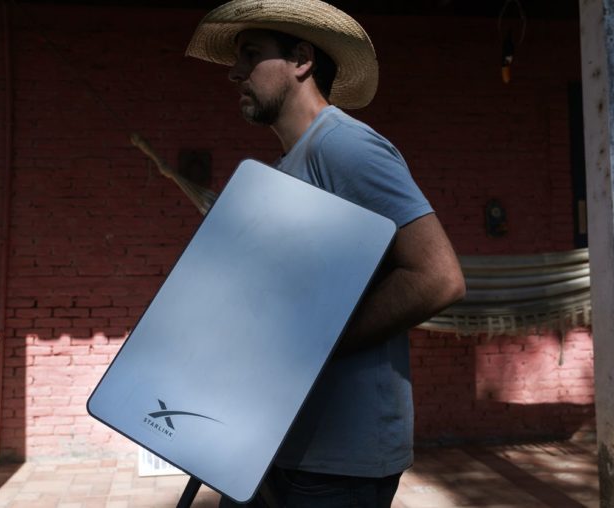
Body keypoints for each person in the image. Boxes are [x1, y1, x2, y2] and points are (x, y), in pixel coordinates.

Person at [186, 1, 466, 506]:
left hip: (338, 464)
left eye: (250, 54)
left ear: (301, 59)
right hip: (271, 445)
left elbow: (437, 277)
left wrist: (311, 346)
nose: (234, 73)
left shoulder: (344, 147)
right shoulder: (288, 165)